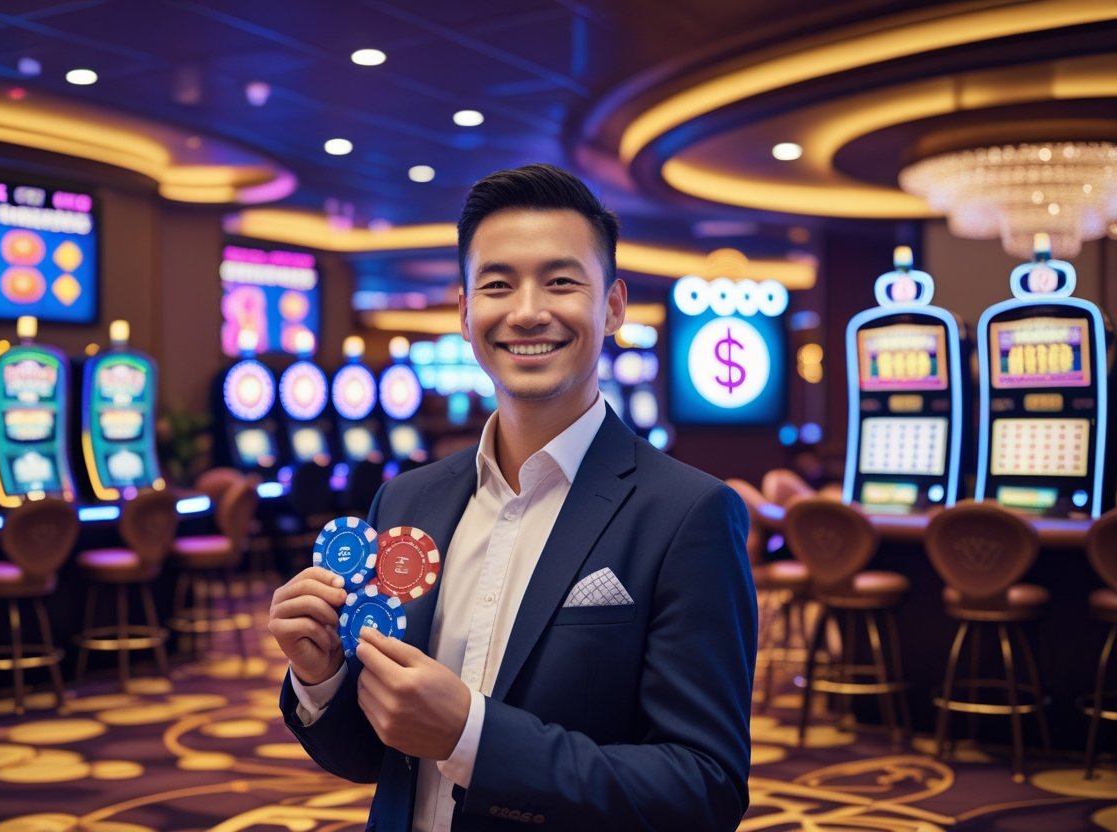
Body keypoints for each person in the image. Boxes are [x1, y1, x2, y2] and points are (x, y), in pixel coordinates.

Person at [269, 163, 756, 831]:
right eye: (497, 285)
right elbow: (373, 755)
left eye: (561, 282)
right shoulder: (404, 502)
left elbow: (704, 788)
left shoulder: (688, 514)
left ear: (613, 306)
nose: (527, 312)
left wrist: (473, 737)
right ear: (466, 312)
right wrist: (321, 677)